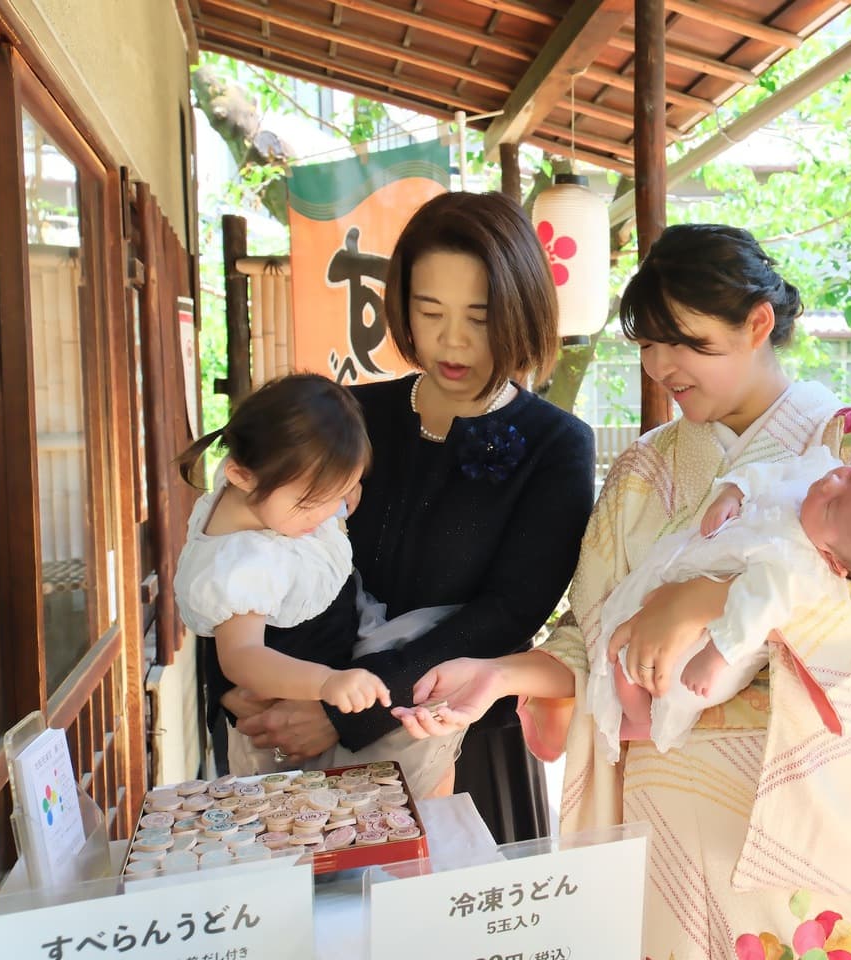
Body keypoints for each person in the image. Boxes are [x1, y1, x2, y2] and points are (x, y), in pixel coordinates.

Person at [391, 224, 851, 960]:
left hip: (800, 830)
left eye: (685, 344)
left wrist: (706, 599)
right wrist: (496, 676)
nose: (661, 367)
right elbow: (587, 638)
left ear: (757, 324)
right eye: (648, 345)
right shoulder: (642, 470)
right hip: (663, 827)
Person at [222, 191, 596, 841]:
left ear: (520, 312)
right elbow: (248, 539)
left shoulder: (555, 444)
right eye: (430, 311)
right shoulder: (349, 414)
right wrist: (240, 681)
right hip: (288, 718)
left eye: (479, 317)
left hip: (452, 734)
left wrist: (348, 716)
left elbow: (506, 614)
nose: (452, 341)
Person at [174, 374, 466, 796]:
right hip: (287, 706)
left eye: (340, 491)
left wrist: (340, 491)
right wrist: (326, 685)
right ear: (241, 476)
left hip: (335, 644)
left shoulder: (264, 478)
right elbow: (242, 658)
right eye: (313, 503)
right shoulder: (243, 567)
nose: (328, 512)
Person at [591, 443, 851, 757]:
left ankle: (642, 722)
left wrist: (717, 656)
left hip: (718, 640)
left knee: (652, 678)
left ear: (832, 559)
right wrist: (733, 494)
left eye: (833, 506)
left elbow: (755, 611)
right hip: (693, 573)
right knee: (626, 630)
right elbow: (771, 472)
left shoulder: (798, 566)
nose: (830, 484)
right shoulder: (812, 480)